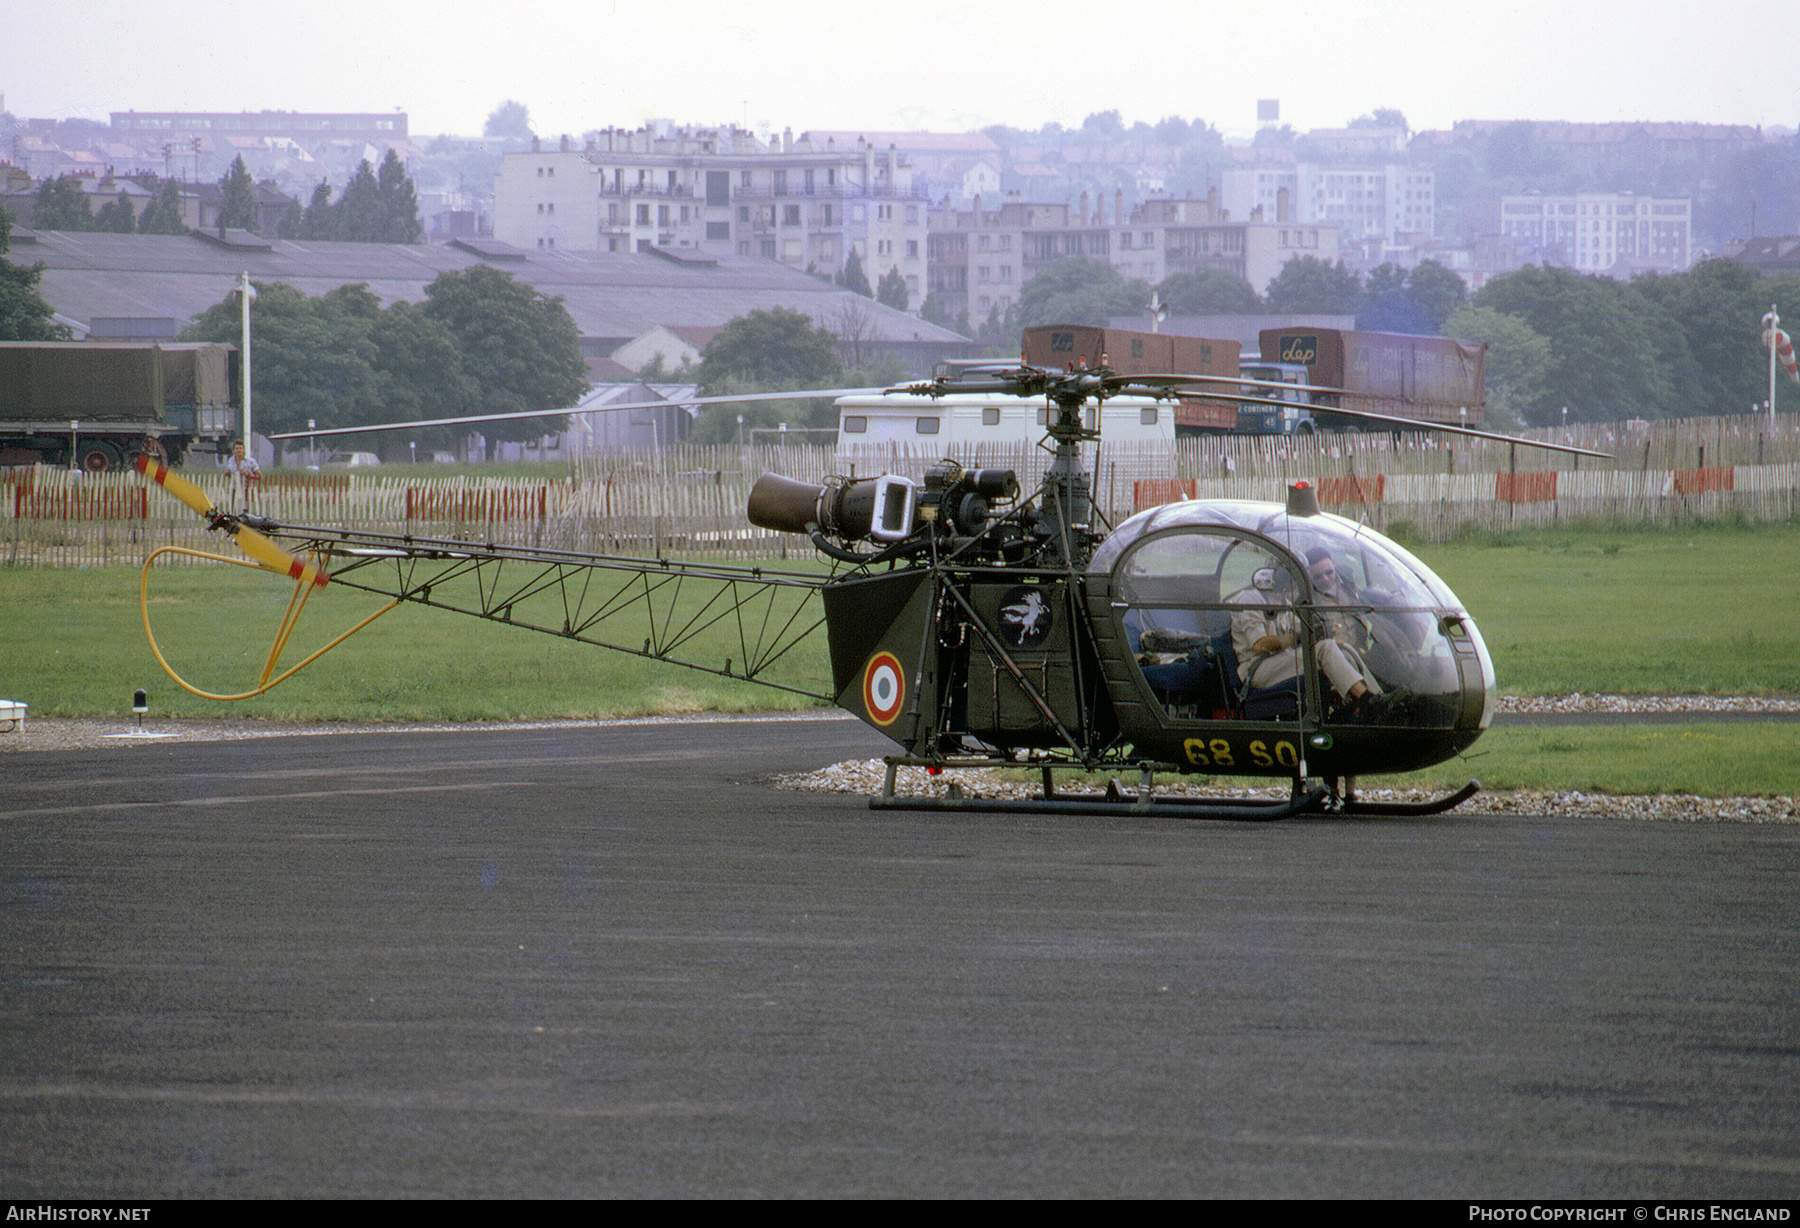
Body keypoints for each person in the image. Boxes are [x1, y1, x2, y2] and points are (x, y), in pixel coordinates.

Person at [1229, 561, 1382, 711]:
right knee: (1324, 648)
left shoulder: (1283, 601)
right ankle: (1368, 702)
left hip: (1280, 662)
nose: (1297, 584)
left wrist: (1320, 629)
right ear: (1282, 577)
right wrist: (1299, 638)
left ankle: (1380, 699)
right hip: (1257, 669)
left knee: (1342, 648)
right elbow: (1259, 645)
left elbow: (1302, 628)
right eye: (1294, 579)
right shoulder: (1250, 599)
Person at [224, 439, 261, 511]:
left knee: (246, 509)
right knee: (233, 509)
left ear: (244, 450)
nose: (239, 450)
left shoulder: (250, 461)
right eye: (237, 448)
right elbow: (230, 472)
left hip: (247, 489)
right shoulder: (231, 461)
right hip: (234, 488)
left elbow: (259, 476)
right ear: (233, 451)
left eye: (241, 448)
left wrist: (248, 474)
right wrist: (227, 474)